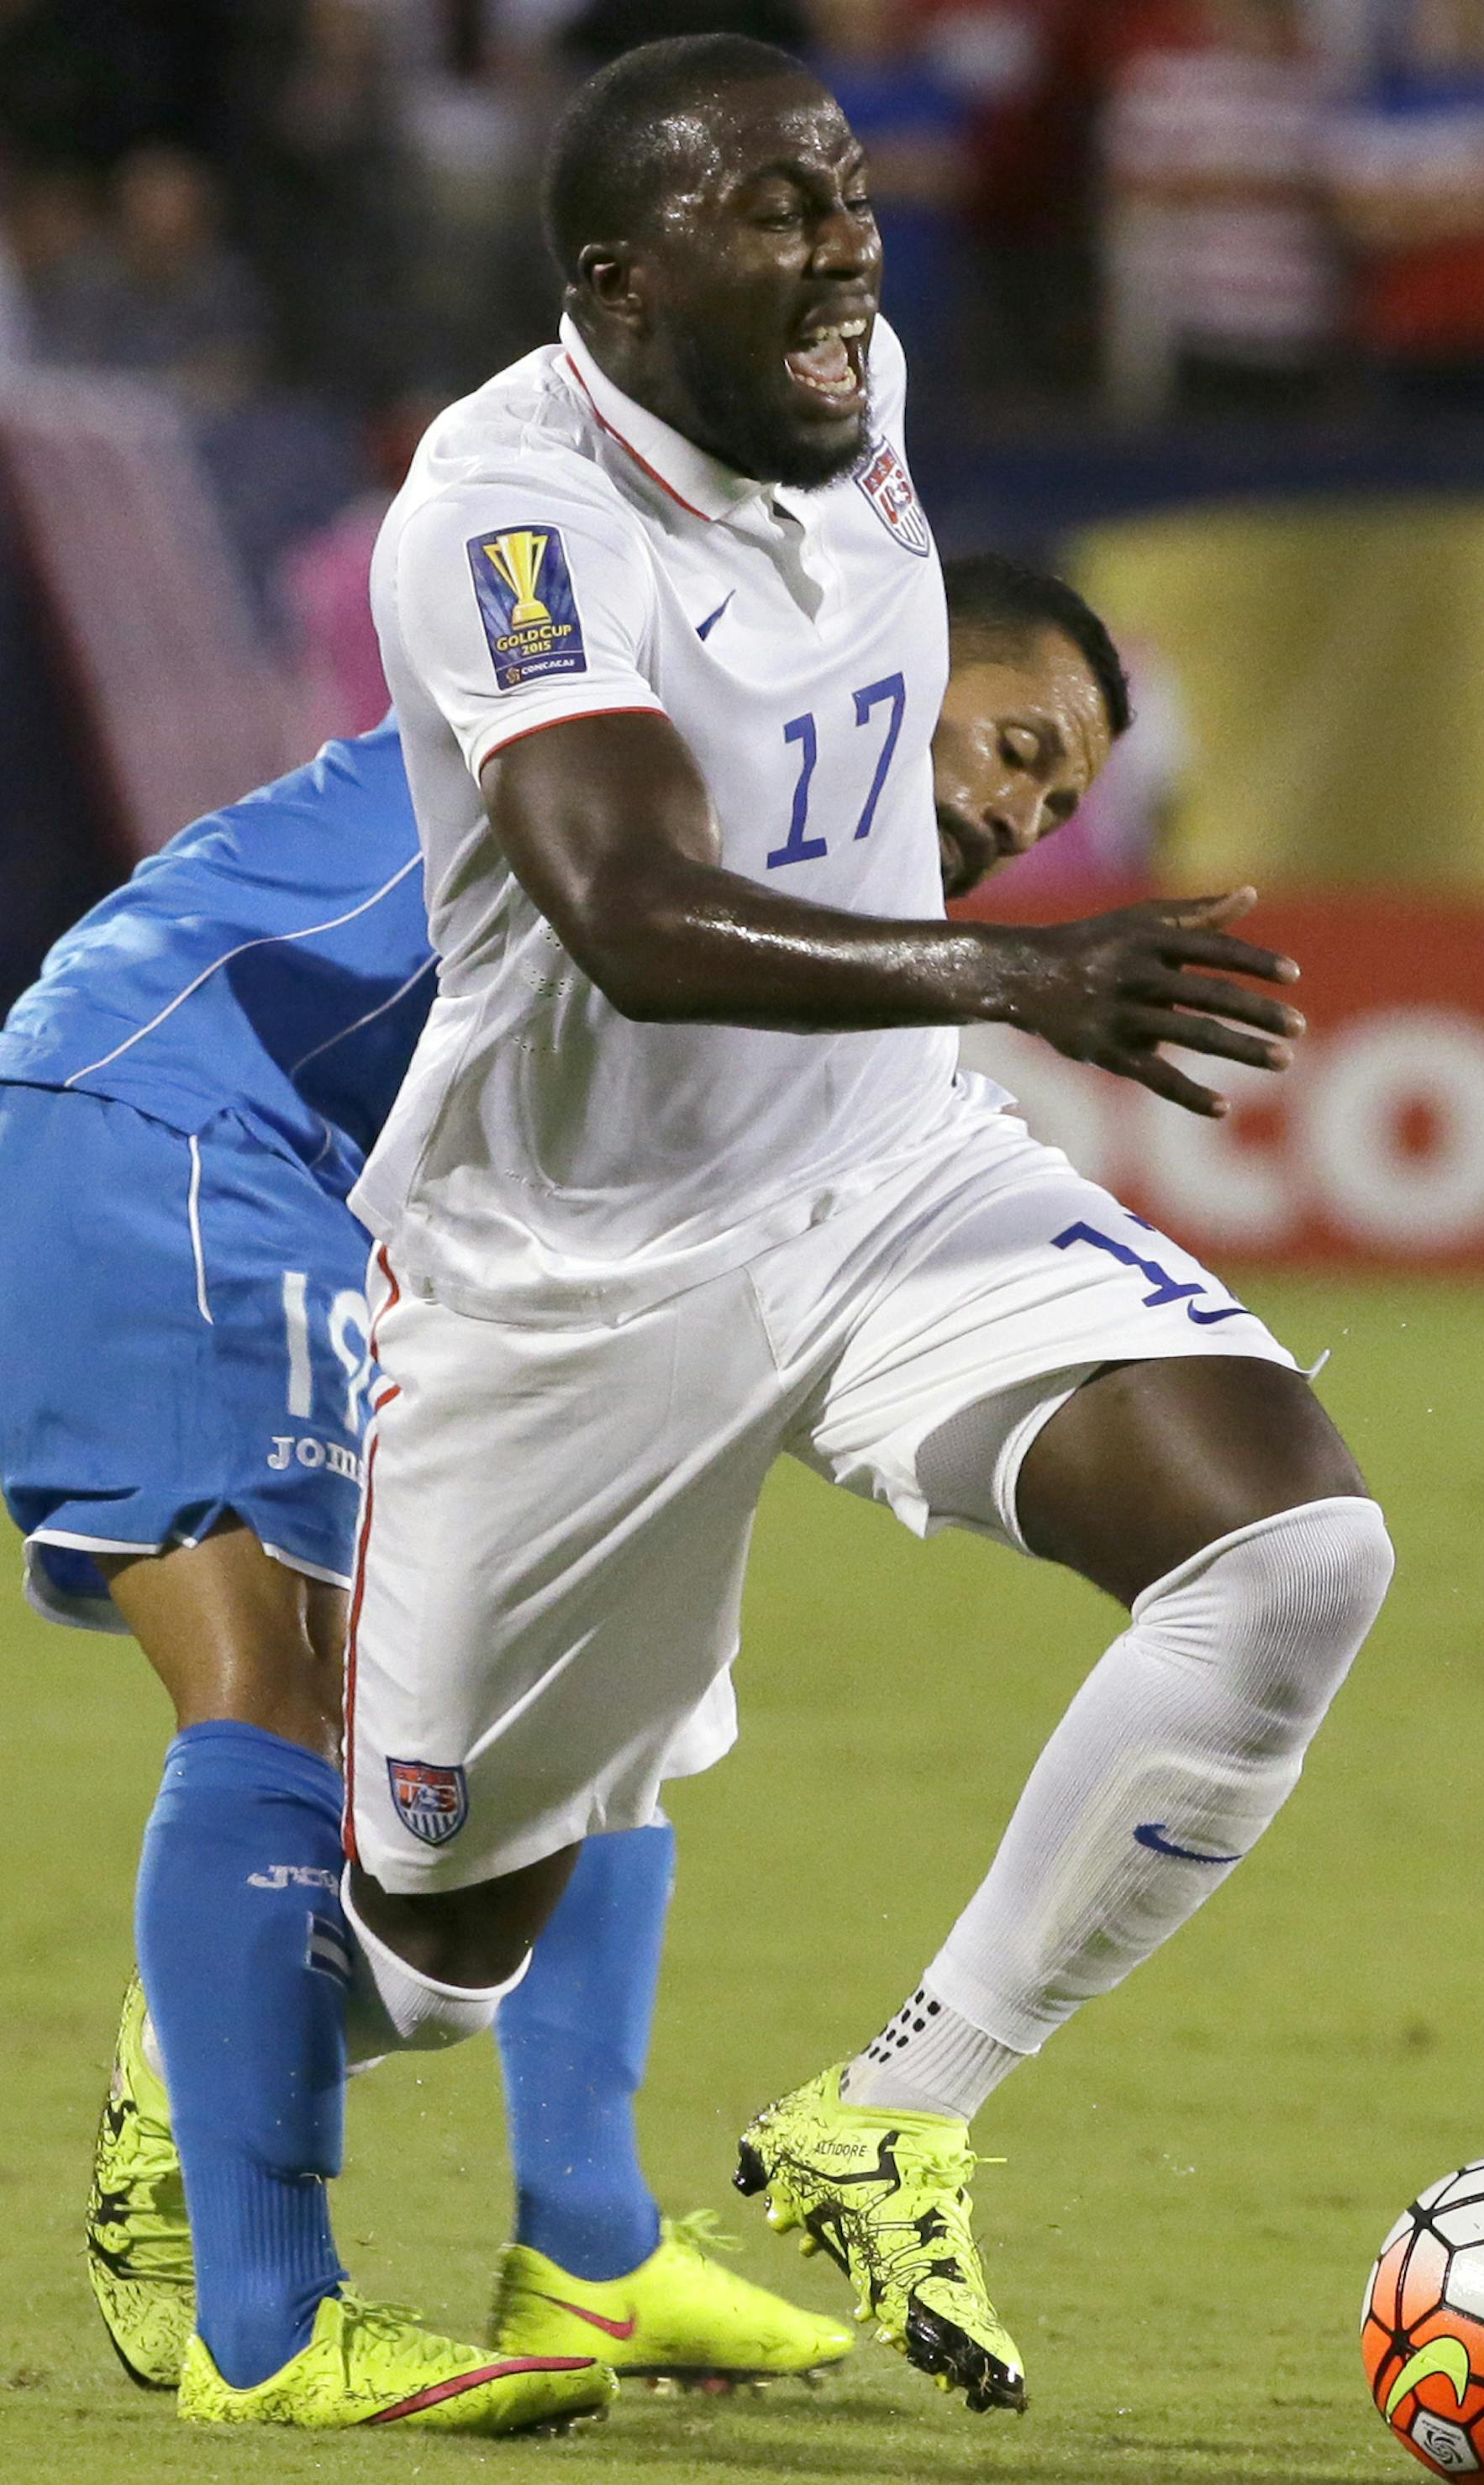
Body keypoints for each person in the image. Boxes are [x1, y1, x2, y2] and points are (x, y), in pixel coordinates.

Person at [341, 27, 1392, 2428]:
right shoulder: (499, 518)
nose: (845, 250)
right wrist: (1020, 965)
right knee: (424, 1960)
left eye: (845, 197)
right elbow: (619, 901)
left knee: (1295, 1550)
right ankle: (204, 2037)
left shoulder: (852, 373)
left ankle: (889, 2107)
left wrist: (963, 948)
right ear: (615, 278)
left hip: (878, 1159)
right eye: (779, 214)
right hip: (573, 1272)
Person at [0, 555, 1129, 2430]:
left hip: (320, 1184)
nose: (1016, 812)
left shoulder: (784, 880)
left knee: (575, 1650)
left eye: (1060, 804)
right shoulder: (684, 746)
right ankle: (268, 2321)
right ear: (898, 663)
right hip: (181, 1118)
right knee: (281, 1689)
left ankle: (588, 2248)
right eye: (1014, 744)